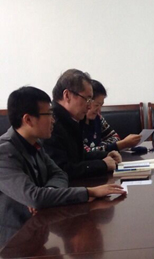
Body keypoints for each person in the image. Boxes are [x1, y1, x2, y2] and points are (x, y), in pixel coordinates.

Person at [0, 87, 126, 233]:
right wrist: (89, 192)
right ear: (28, 119)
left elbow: (59, 173)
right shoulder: (4, 152)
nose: (53, 120)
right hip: (15, 237)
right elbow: (34, 197)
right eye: (49, 114)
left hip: (40, 226)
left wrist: (47, 193)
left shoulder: (35, 142)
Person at [44, 69, 121, 179]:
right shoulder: (51, 122)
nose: (89, 106)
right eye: (87, 99)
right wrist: (102, 165)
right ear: (67, 95)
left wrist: (105, 155)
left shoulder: (71, 119)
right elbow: (61, 169)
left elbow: (79, 156)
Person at [82, 80, 142, 153]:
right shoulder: (76, 122)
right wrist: (121, 144)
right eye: (96, 105)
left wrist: (100, 147)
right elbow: (85, 152)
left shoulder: (98, 118)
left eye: (101, 105)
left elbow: (115, 137)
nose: (99, 110)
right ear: (87, 101)